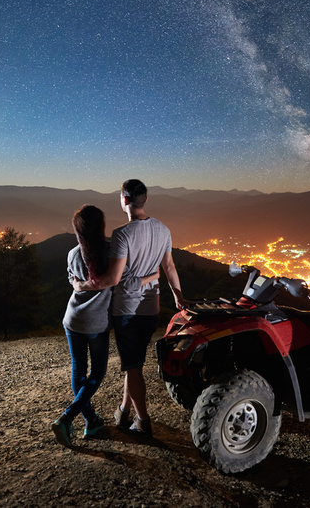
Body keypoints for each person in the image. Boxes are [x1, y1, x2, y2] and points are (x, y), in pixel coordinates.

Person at [72, 180, 186, 438]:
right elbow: (169, 267)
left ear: (124, 200)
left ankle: (143, 421)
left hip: (127, 311)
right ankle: (123, 411)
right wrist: (179, 297)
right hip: (151, 309)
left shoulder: (122, 234)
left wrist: (83, 286)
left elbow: (113, 279)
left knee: (132, 365)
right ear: (145, 199)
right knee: (132, 362)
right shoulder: (163, 229)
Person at [51, 204, 157, 445]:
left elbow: (73, 281)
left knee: (78, 370)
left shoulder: (72, 253)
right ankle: (67, 418)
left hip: (72, 318)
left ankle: (92, 421)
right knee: (97, 372)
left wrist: (82, 284)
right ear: (102, 227)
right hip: (96, 324)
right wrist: (154, 275)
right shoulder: (111, 252)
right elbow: (128, 282)